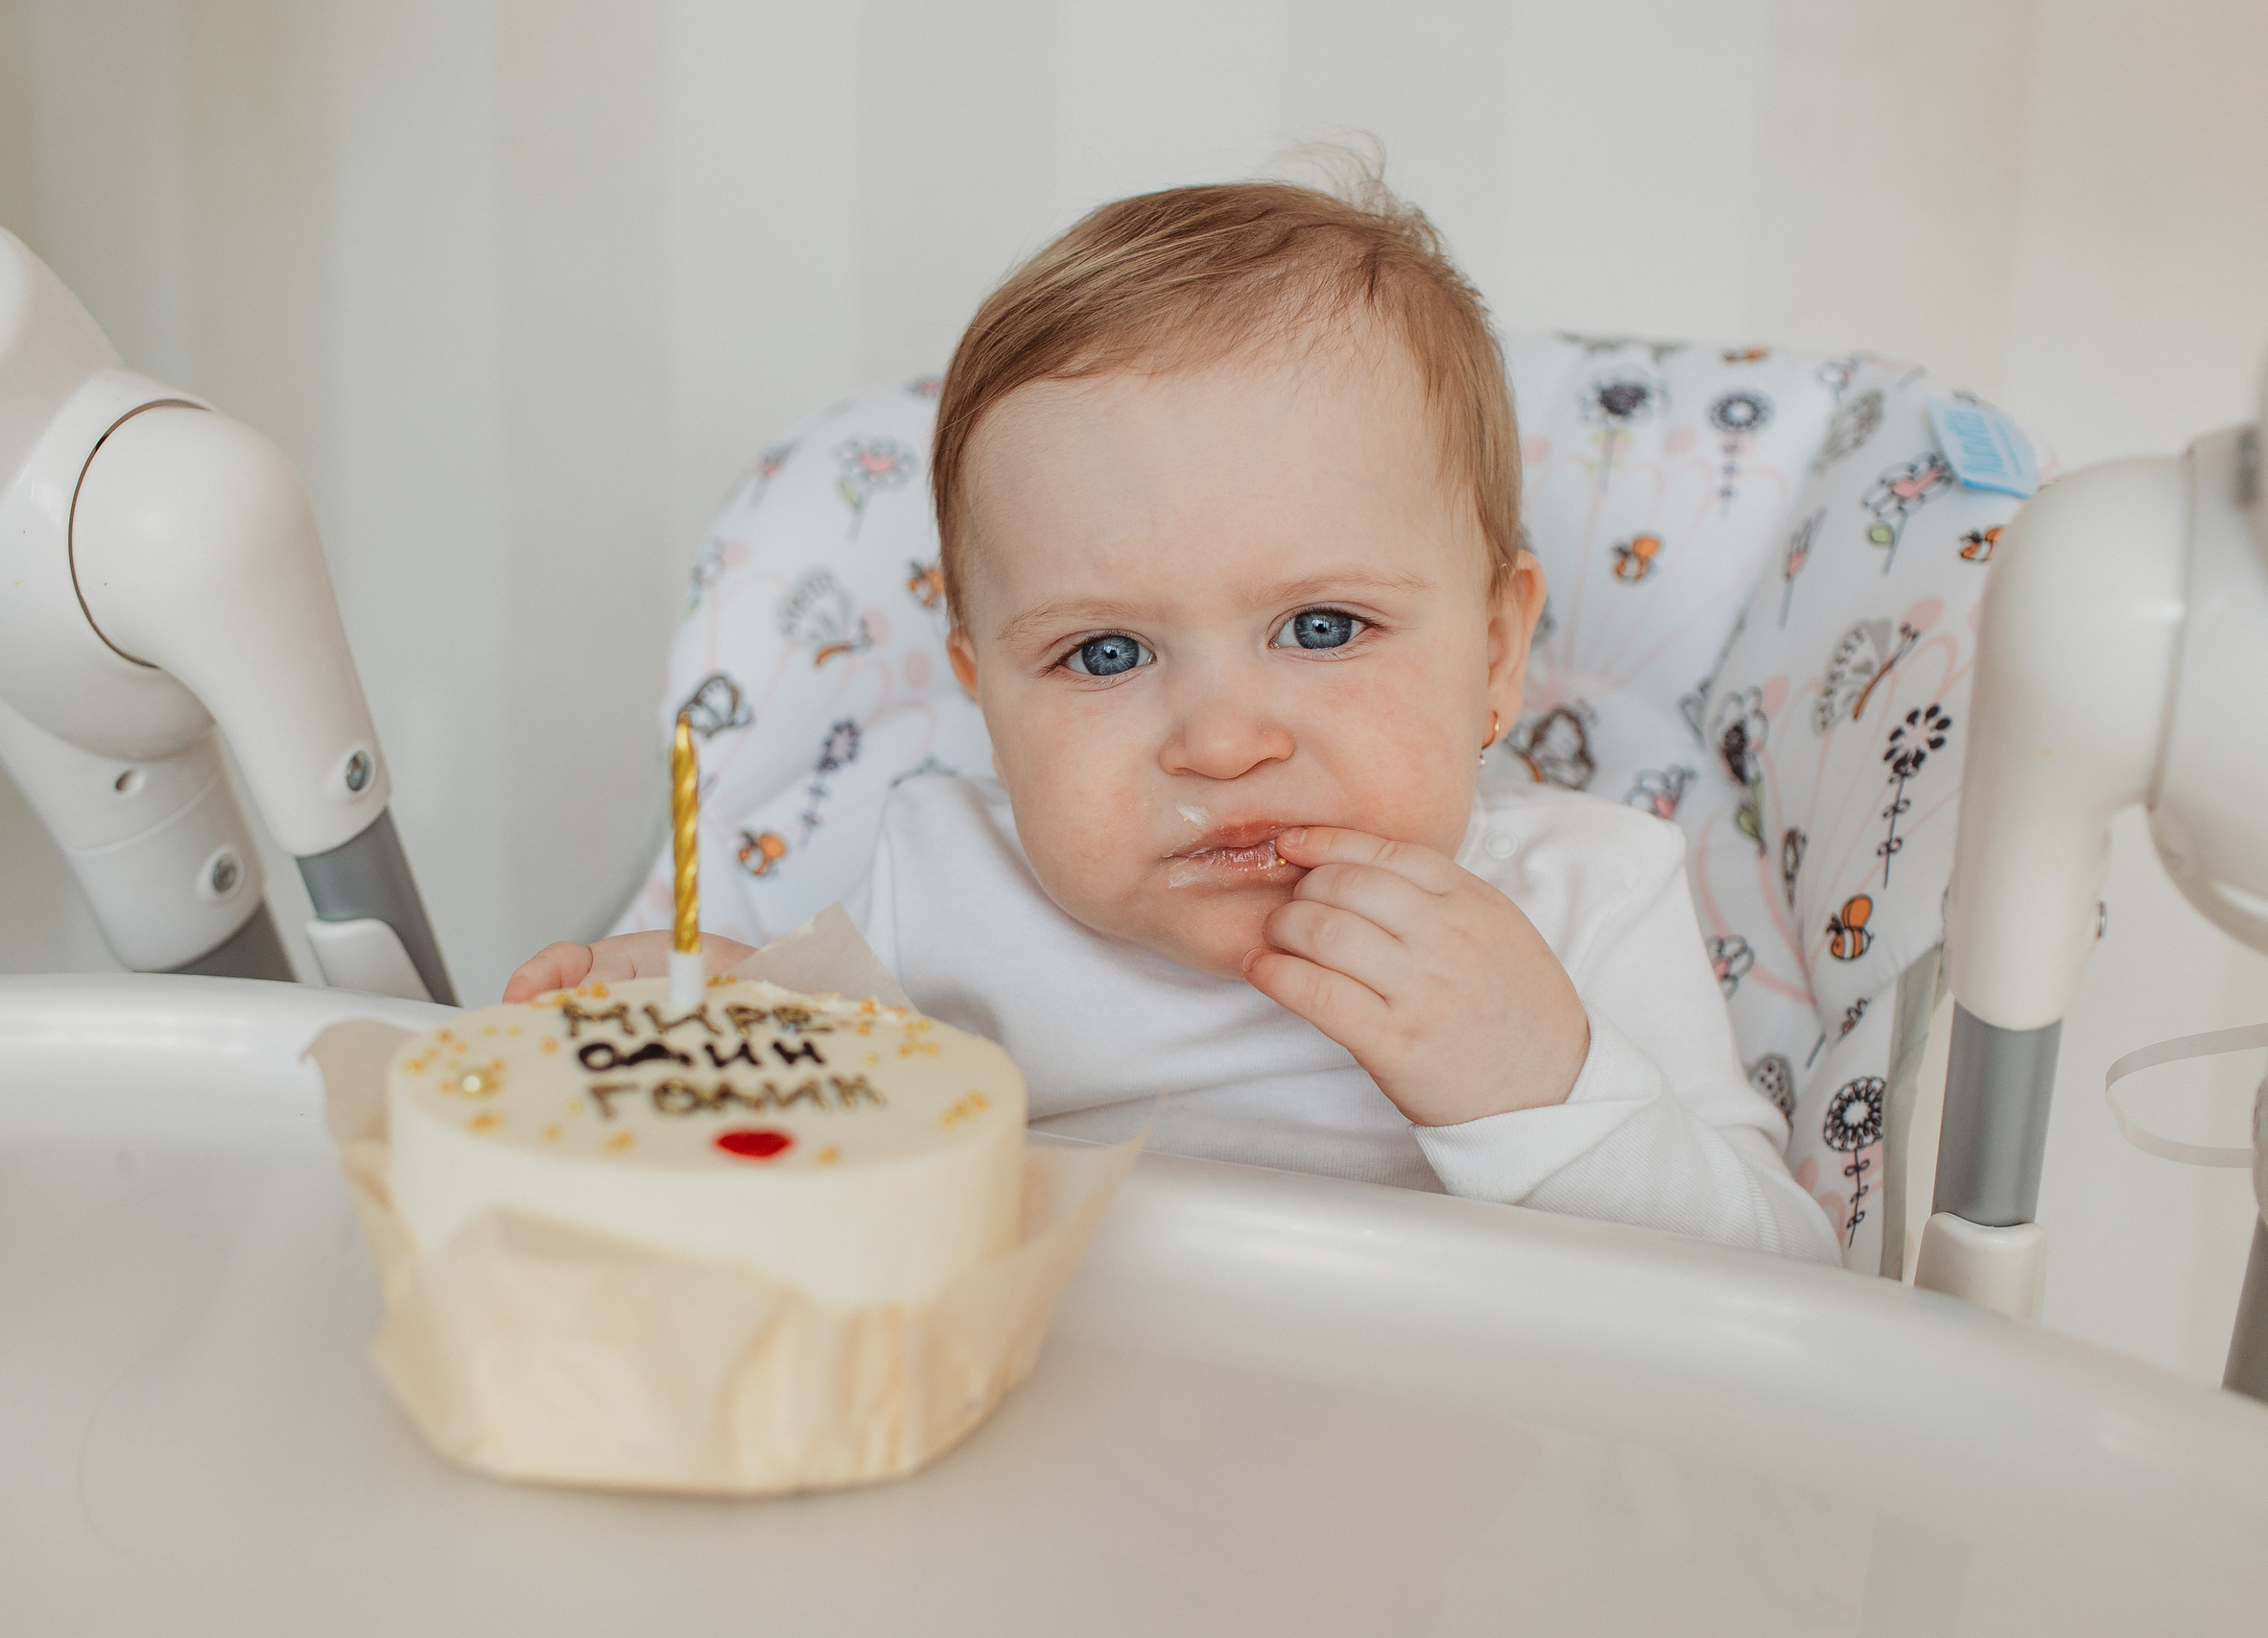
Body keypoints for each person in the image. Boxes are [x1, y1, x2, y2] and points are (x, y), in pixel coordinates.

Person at [508, 168, 1841, 1263]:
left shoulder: (1583, 901)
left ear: (1495, 656)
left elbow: (1782, 1297)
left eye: (1322, 628)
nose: (1218, 741)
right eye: (1103, 654)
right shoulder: (951, 887)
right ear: (985, 696)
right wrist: (728, 1026)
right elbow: (846, 1168)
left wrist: (1544, 1085)